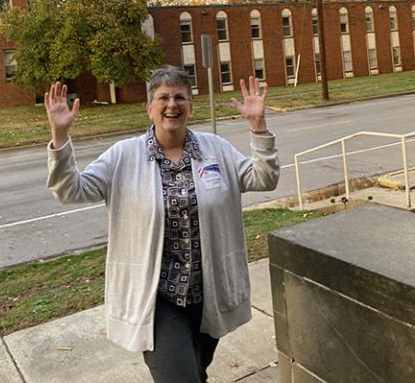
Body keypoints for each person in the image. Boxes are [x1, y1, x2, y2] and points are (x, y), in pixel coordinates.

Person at [45, 65, 280, 383]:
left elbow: (264, 178)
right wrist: (60, 139)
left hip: (208, 295)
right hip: (157, 301)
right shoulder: (124, 157)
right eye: (163, 97)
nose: (172, 105)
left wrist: (258, 126)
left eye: (180, 97)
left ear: (190, 107)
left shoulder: (215, 149)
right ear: (150, 108)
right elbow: (70, 190)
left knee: (196, 371)